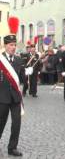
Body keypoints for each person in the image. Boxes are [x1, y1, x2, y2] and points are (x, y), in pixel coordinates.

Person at [0, 23, 24, 156]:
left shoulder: (19, 60)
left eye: (14, 45)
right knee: (0, 123)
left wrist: (27, 74)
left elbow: (20, 79)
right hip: (2, 97)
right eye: (11, 45)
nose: (13, 47)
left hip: (15, 97)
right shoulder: (0, 60)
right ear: (5, 45)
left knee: (16, 124)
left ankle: (12, 147)